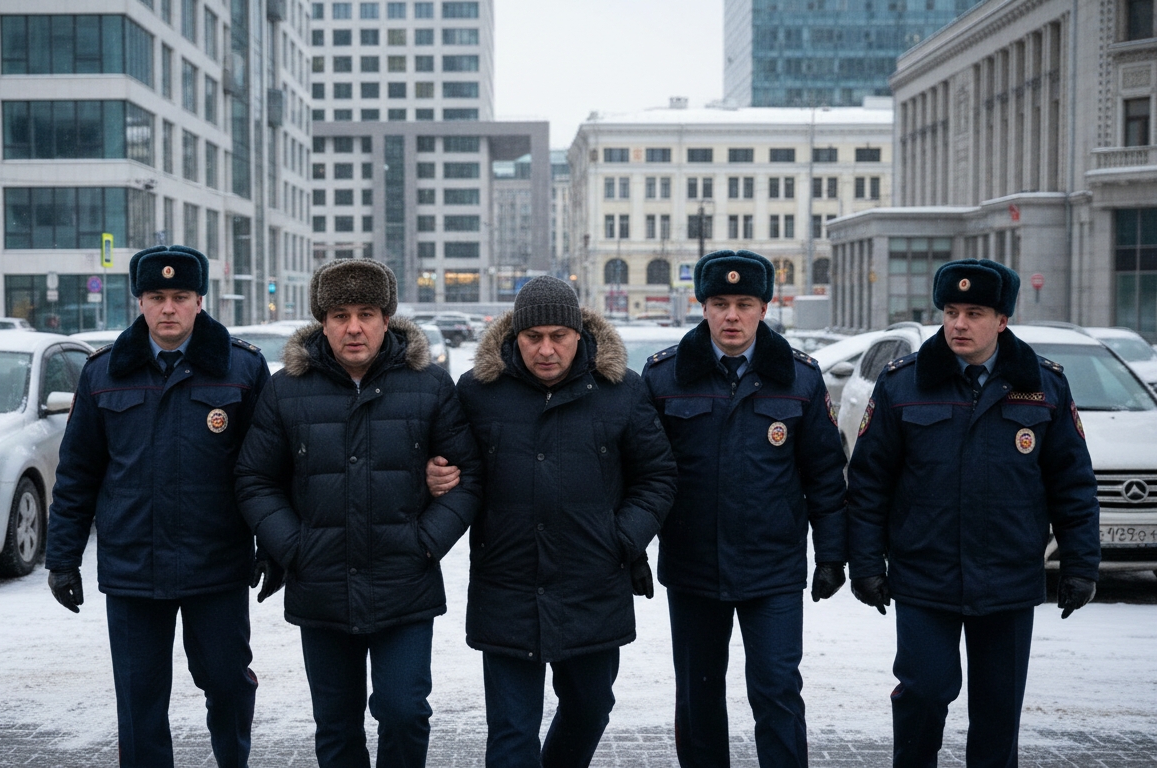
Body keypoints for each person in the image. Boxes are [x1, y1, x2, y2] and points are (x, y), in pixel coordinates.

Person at [846, 258, 1100, 767]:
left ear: (1002, 320)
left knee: (998, 709)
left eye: (975, 313)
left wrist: (1081, 563)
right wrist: (866, 564)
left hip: (1008, 574)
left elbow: (1071, 482)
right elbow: (869, 482)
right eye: (952, 311)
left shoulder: (1045, 386)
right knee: (923, 692)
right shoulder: (902, 384)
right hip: (924, 573)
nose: (959, 324)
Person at [233, 258, 481, 768]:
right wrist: (293, 545)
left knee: (404, 712)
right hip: (321, 585)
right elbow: (255, 479)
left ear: (386, 318)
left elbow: (466, 478)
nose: (353, 327)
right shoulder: (286, 390)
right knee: (337, 724)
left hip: (404, 583)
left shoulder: (429, 386)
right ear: (321, 321)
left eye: (366, 312)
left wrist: (426, 542)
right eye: (340, 313)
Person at [45, 245, 275, 768]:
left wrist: (273, 544)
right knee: (139, 699)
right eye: (155, 297)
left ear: (199, 301)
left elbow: (266, 470)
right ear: (140, 302)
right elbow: (78, 473)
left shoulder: (241, 368)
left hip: (215, 564)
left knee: (228, 683)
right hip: (133, 567)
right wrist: (62, 559)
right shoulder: (102, 373)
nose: (167, 308)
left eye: (179, 297)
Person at [442, 276, 678, 767]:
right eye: (533, 338)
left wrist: (622, 538)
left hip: (592, 583)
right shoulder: (478, 391)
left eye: (558, 336)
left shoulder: (621, 391)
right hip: (507, 584)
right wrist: (436, 471)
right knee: (511, 732)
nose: (546, 349)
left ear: (578, 333)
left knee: (590, 709)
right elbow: (454, 464)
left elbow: (656, 476)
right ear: (514, 337)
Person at [640, 250, 849, 768]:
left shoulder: (799, 378)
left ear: (763, 308)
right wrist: (632, 548)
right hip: (693, 566)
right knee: (698, 697)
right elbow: (642, 474)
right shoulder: (664, 378)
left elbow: (824, 474)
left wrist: (831, 556)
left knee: (777, 690)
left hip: (772, 568)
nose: (731, 316)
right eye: (720, 303)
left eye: (744, 303)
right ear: (703, 307)